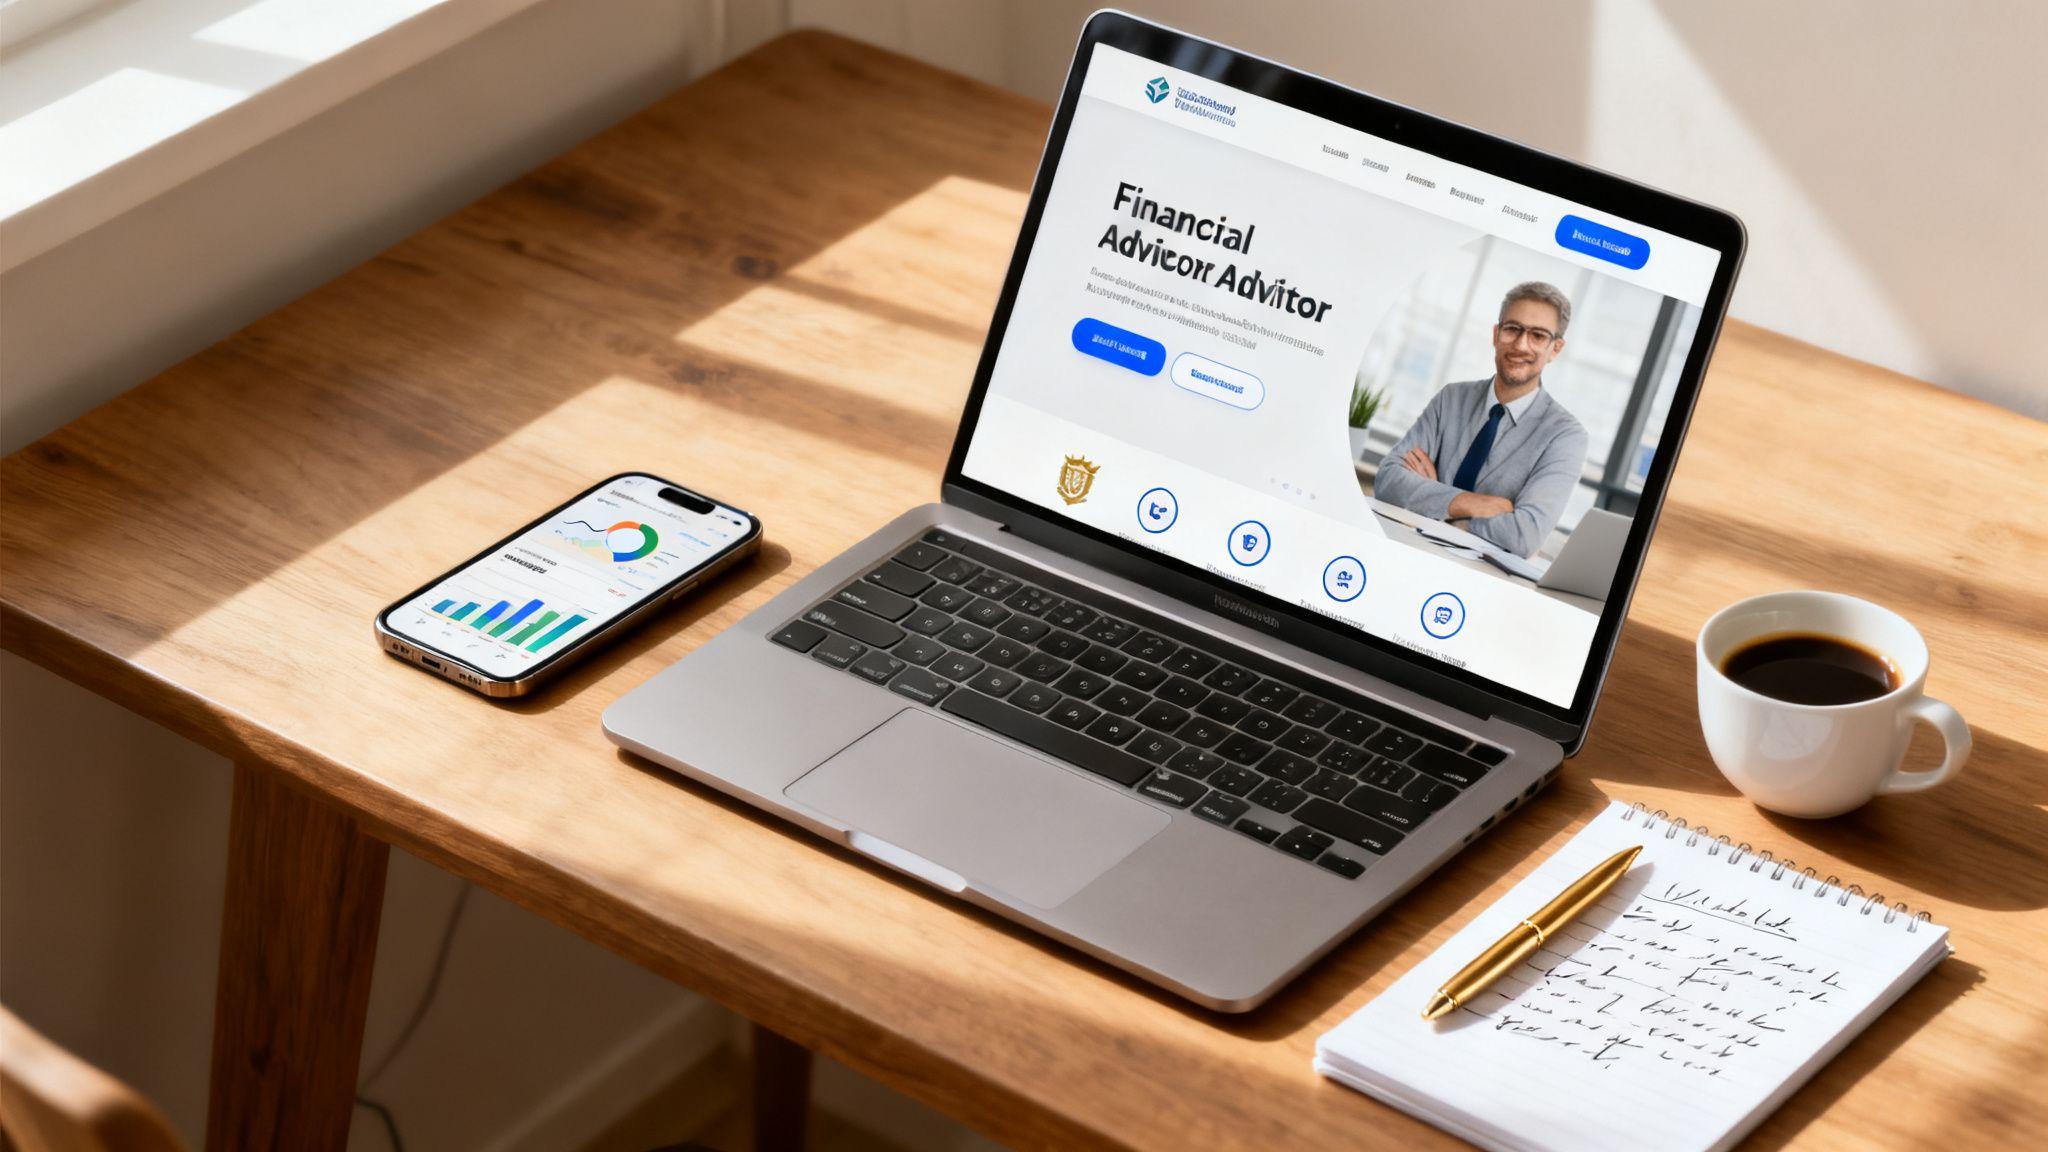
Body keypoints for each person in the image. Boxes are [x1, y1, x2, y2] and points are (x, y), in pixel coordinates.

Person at [1373, 281, 1589, 559]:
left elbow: (1525, 535)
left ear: (1555, 349)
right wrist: (1469, 503)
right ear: (1496, 334)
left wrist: (1435, 507)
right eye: (1512, 329)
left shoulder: (1566, 436)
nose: (1522, 345)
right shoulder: (1451, 398)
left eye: (1538, 335)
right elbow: (1388, 480)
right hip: (1406, 550)